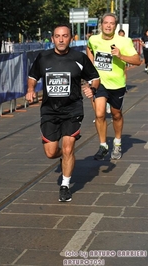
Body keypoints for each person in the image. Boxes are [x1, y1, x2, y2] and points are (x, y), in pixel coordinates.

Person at [26, 24, 100, 202]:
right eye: (57, 36)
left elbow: (95, 78)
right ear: (52, 39)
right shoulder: (43, 57)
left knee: (68, 148)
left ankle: (65, 185)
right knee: (51, 152)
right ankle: (65, 158)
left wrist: (92, 89)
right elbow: (33, 77)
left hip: (72, 109)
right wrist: (30, 89)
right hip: (50, 111)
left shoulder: (79, 58)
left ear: (70, 38)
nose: (61, 39)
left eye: (65, 36)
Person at [87, 13, 141, 160]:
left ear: (115, 26)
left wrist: (120, 55)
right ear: (101, 24)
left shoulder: (124, 41)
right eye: (106, 23)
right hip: (100, 83)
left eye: (111, 23)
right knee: (99, 114)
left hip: (117, 85)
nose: (108, 25)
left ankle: (117, 143)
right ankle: (103, 145)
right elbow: (89, 49)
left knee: (116, 115)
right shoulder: (94, 39)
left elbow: (138, 61)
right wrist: (91, 69)